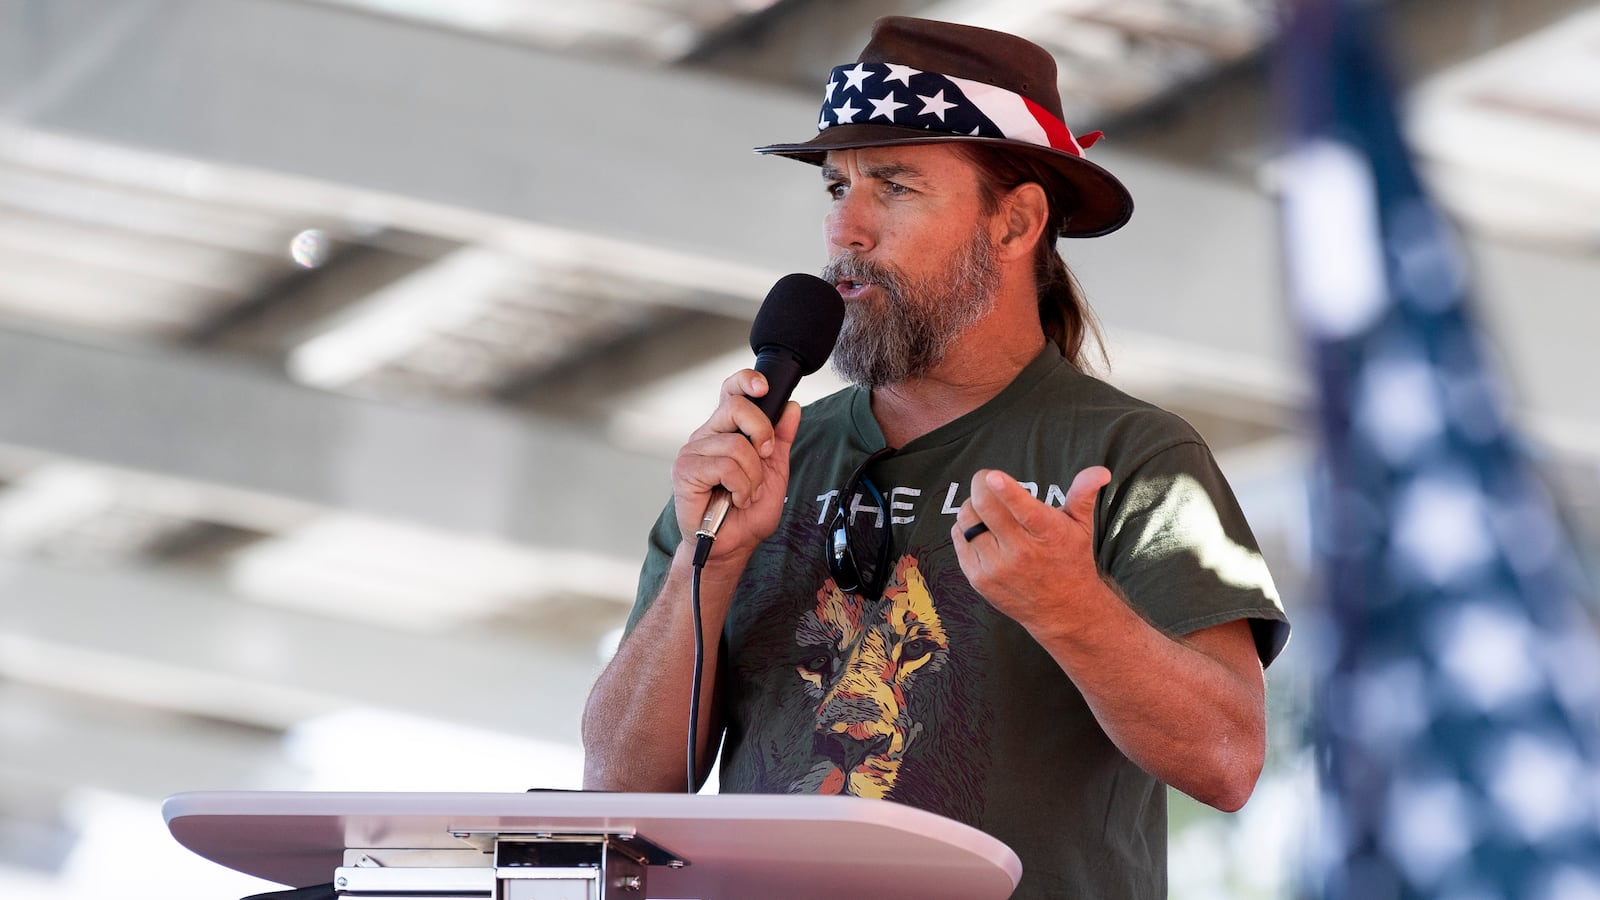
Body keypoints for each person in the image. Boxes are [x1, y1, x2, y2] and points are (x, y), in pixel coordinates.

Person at [581, 15, 1290, 899]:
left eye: (895, 186)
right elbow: (618, 791)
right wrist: (710, 560)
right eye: (836, 186)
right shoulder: (753, 463)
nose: (846, 228)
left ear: (1016, 221)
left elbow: (1227, 762)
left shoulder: (1132, 456)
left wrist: (1073, 610)